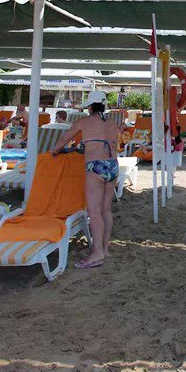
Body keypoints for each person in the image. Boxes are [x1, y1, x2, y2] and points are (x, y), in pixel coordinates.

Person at [49, 91, 120, 269]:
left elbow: (63, 141)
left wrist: (54, 152)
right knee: (106, 210)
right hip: (112, 166)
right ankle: (104, 249)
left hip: (95, 166)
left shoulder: (83, 122)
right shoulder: (112, 123)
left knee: (94, 212)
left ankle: (97, 253)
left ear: (90, 106)